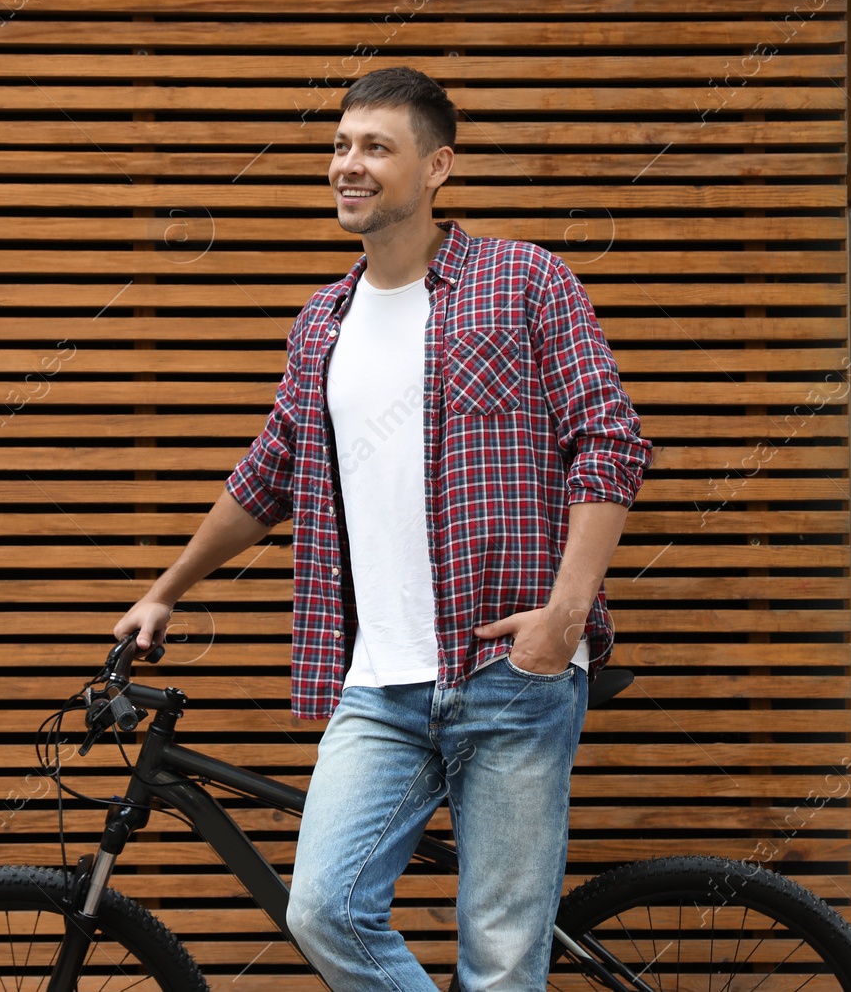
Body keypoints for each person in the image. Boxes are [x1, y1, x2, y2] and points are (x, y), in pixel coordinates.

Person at [113, 66, 650, 991]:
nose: (346, 166)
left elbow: (607, 442)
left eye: (374, 147)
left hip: (509, 667)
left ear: (438, 166)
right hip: (379, 686)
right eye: (339, 145)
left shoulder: (523, 281)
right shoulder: (323, 319)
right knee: (323, 907)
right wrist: (167, 589)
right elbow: (269, 474)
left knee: (500, 955)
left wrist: (564, 620)